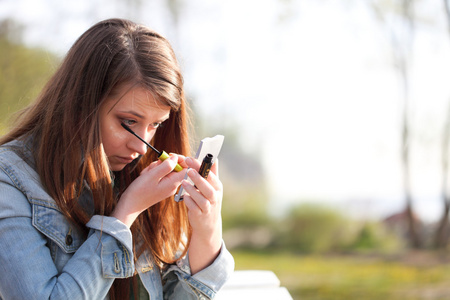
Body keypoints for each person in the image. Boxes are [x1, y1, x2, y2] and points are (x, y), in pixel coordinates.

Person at [0, 18, 234, 299]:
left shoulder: (143, 178)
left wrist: (207, 233)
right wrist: (124, 214)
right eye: (128, 121)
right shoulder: (11, 180)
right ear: (82, 104)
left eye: (156, 124)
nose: (142, 146)